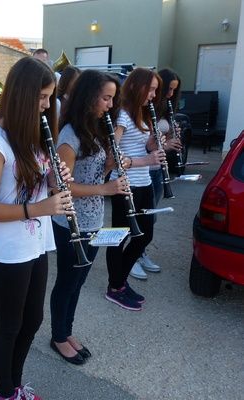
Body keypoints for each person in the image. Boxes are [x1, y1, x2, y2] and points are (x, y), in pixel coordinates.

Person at [0, 57, 74, 400]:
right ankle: (5, 393)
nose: (47, 105)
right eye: (42, 97)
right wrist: (38, 208)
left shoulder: (33, 135)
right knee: (9, 326)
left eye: (50, 97)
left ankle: (14, 386)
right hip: (10, 251)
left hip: (37, 243)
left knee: (32, 321)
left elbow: (39, 186)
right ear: (22, 95)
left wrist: (55, 180)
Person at [49, 70, 126, 365]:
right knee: (67, 281)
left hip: (93, 219)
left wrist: (109, 167)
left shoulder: (96, 129)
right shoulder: (69, 136)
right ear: (89, 96)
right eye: (106, 98)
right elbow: (60, 186)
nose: (110, 105)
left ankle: (66, 331)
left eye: (112, 99)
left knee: (79, 281)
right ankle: (58, 336)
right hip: (71, 221)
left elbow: (94, 175)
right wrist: (106, 188)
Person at [105, 68, 165, 310]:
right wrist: (146, 160)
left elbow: (142, 146)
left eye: (155, 91)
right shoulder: (122, 116)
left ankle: (119, 281)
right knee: (118, 237)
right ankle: (115, 287)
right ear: (136, 86)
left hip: (144, 183)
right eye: (151, 89)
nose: (153, 95)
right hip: (124, 185)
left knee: (144, 236)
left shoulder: (142, 114)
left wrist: (155, 143)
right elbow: (112, 155)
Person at [129, 68, 183, 280]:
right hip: (141, 169)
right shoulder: (143, 109)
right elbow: (139, 144)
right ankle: (131, 257)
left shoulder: (164, 109)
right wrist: (163, 144)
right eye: (168, 89)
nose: (170, 94)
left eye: (174, 90)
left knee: (150, 217)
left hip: (157, 168)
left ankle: (140, 252)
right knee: (137, 216)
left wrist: (171, 138)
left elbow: (159, 141)